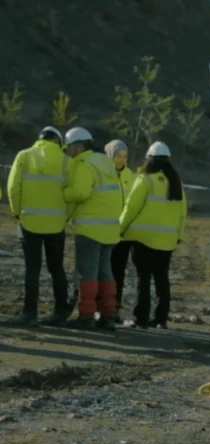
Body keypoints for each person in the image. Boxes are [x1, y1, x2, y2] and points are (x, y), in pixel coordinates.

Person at [5, 127, 72, 326]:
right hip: (56, 225)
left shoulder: (24, 156)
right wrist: (65, 217)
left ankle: (29, 313)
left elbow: (12, 187)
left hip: (29, 222)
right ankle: (60, 311)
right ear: (58, 142)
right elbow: (73, 194)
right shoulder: (67, 161)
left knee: (31, 269)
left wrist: (17, 212)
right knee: (57, 269)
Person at [118, 142, 187, 329]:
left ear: (149, 159)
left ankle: (140, 319)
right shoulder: (176, 182)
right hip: (167, 241)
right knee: (162, 279)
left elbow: (131, 208)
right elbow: (182, 213)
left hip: (143, 239)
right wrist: (178, 236)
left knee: (144, 279)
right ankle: (160, 319)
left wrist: (120, 228)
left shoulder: (145, 180)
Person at [62, 127, 123, 330]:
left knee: (87, 274)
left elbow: (80, 193)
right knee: (105, 272)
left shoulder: (84, 166)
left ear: (79, 146)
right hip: (109, 230)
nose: (68, 151)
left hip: (89, 229)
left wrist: (64, 192)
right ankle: (108, 315)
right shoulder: (106, 163)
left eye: (69, 147)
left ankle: (86, 316)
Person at [106, 139, 136, 322]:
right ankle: (98, 307)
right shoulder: (102, 174)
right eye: (118, 155)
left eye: (125, 156)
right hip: (103, 231)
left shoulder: (131, 177)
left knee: (118, 272)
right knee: (101, 271)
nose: (121, 159)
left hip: (123, 234)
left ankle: (114, 308)